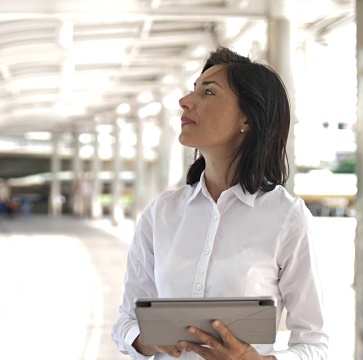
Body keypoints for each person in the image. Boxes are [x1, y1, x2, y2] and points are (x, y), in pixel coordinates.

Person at [111, 46, 328, 360]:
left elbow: (316, 344)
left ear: (248, 119)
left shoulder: (287, 217)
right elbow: (125, 323)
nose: (185, 102)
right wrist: (151, 339)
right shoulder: (162, 213)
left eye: (208, 92)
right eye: (192, 91)